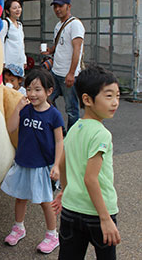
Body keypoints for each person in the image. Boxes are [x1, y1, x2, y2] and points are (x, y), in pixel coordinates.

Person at [51, 65, 121, 260]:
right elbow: (91, 179)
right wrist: (105, 218)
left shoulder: (75, 128)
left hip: (71, 210)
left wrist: (66, 190)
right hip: (97, 213)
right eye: (108, 96)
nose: (115, 102)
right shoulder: (101, 134)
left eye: (117, 95)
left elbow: (63, 163)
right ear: (87, 99)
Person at [1, 68, 64, 254]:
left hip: (42, 165)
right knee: (20, 197)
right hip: (23, 161)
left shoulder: (54, 115)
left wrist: (57, 165)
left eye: (37, 89)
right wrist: (18, 109)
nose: (32, 94)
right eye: (29, 89)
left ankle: (52, 235)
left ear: (49, 91)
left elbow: (60, 141)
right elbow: (11, 128)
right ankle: (18, 227)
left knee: (45, 201)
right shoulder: (26, 110)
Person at [42, 0, 85, 132]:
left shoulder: (75, 24)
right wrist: (50, 50)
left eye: (60, 6)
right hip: (55, 72)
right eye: (55, 7)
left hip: (68, 73)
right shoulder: (58, 25)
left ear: (69, 6)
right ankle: (60, 129)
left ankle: (72, 136)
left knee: (71, 108)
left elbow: (77, 50)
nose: (57, 9)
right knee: (48, 99)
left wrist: (71, 73)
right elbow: (59, 44)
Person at [0, 0, 27, 70]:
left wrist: (24, 60)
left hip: (19, 63)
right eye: (14, 8)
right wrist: (2, 61)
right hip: (9, 63)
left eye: (19, 7)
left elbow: (21, 43)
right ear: (7, 11)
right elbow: (0, 42)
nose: (18, 10)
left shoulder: (20, 24)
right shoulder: (5, 23)